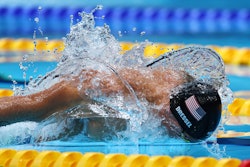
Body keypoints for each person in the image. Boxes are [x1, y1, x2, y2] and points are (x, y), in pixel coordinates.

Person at [0, 47, 222, 142]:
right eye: (178, 131)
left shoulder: (179, 84)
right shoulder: (115, 89)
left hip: (100, 82)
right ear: (172, 111)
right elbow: (93, 85)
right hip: (86, 85)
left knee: (88, 128)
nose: (174, 135)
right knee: (35, 107)